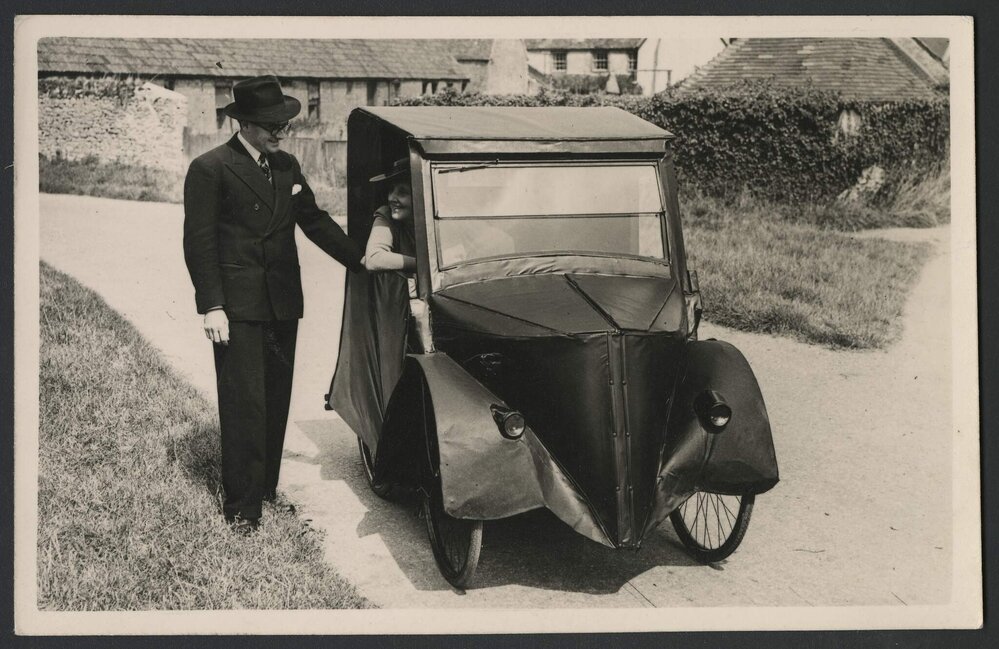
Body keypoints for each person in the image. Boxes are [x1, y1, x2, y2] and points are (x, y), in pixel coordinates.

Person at [183, 75, 363, 534]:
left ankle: (264, 490)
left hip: (283, 304)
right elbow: (199, 244)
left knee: (275, 399)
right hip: (238, 308)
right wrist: (212, 306)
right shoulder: (211, 168)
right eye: (269, 125)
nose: (280, 131)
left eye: (282, 122)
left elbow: (315, 222)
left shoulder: (286, 166)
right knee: (245, 404)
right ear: (242, 123)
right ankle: (242, 511)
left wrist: (362, 260)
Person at [363, 157, 416, 276]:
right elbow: (373, 259)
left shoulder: (436, 219)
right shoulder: (386, 214)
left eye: (402, 192)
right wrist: (423, 265)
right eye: (391, 191)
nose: (391, 198)